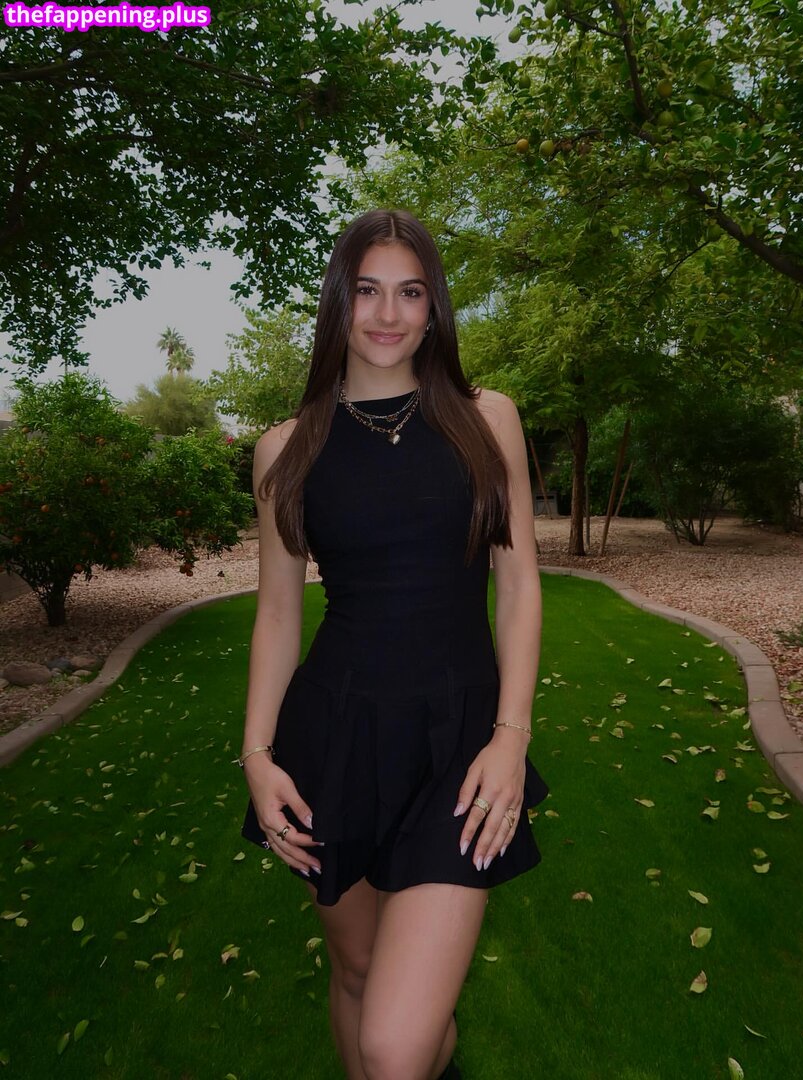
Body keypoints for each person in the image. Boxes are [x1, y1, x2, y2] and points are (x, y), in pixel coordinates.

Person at [237, 208, 550, 1080]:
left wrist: (511, 737)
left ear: (434, 306)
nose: (387, 314)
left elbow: (520, 586)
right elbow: (278, 615)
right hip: (333, 741)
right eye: (366, 290)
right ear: (337, 302)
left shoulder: (487, 419)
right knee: (358, 970)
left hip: (461, 744)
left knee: (397, 1043)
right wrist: (257, 755)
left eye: (410, 292)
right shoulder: (285, 449)